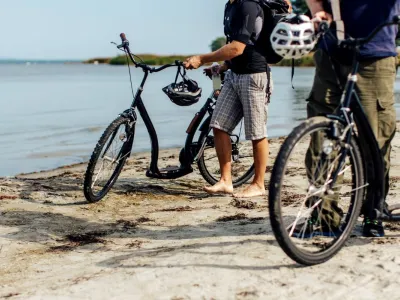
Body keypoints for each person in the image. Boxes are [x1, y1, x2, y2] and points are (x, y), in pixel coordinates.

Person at [306, 0, 400, 237]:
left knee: (375, 143)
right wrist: (317, 11)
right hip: (331, 53)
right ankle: (324, 216)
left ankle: (372, 211)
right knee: (321, 139)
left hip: (376, 55)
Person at [184, 0, 280, 198]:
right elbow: (236, 43)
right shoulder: (231, 6)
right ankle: (226, 181)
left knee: (256, 132)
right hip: (234, 75)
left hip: (255, 76)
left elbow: (238, 48)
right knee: (219, 125)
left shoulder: (248, 5)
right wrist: (222, 67)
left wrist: (202, 58)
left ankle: (259, 184)